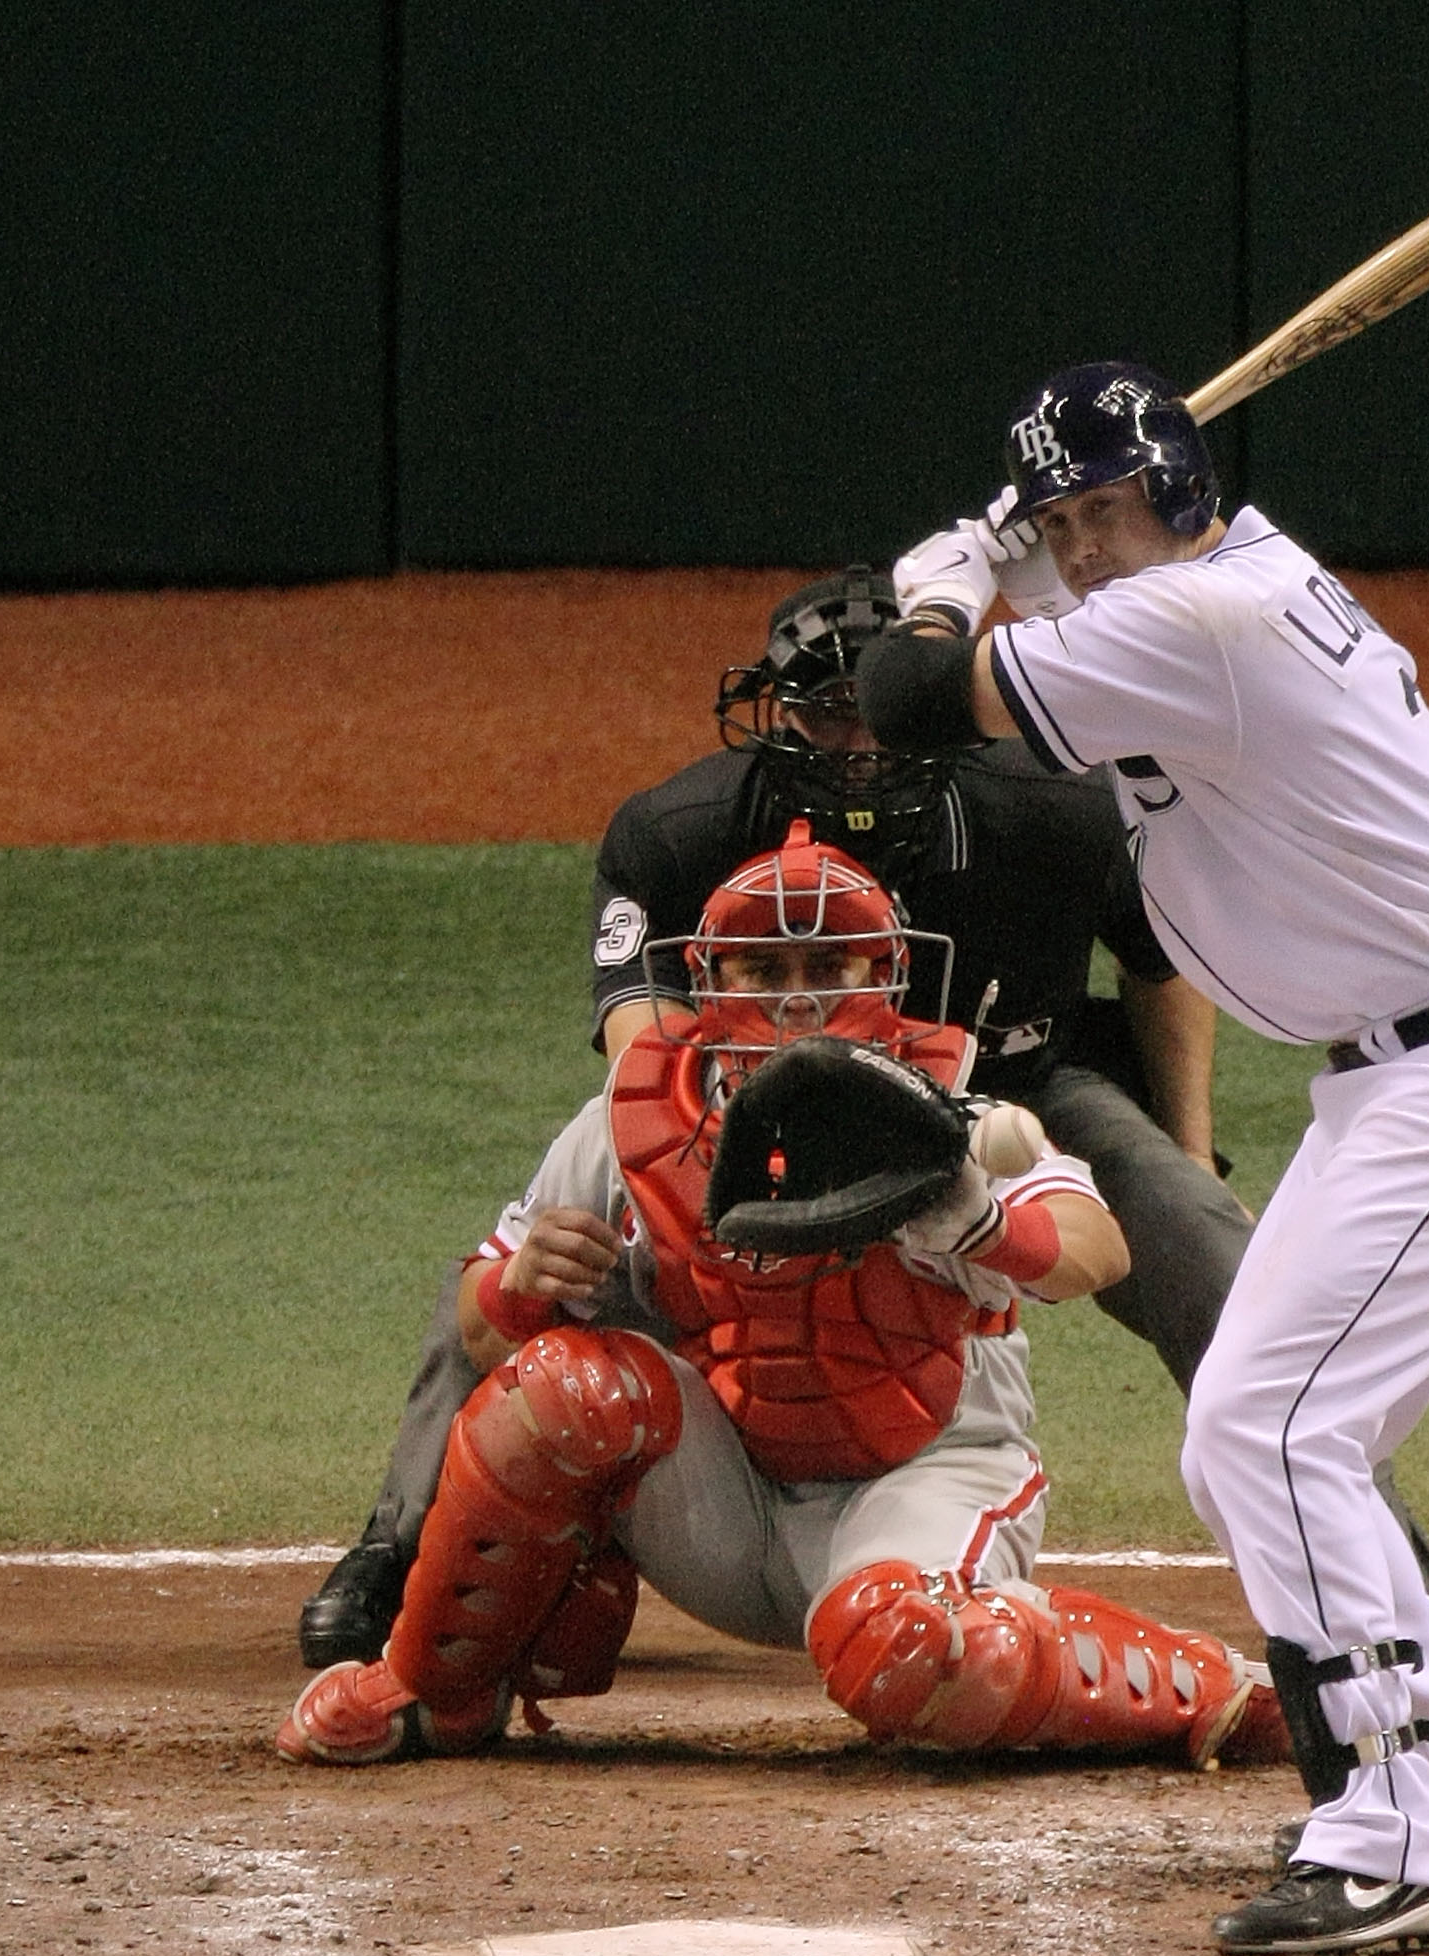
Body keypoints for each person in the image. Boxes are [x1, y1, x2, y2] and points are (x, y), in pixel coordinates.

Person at [862, 367, 1429, 1956]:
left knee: (1280, 1425)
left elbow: (909, 699)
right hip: (1412, 1079)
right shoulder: (1225, 585)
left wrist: (948, 592)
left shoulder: (1204, 621)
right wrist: (1025, 571)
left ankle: (1390, 1834)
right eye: (1061, 528)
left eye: (1105, 515)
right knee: (1249, 1435)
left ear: (1180, 490)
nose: (1085, 551)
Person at [296, 565, 1264, 1674]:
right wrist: (690, 1162)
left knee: (1195, 1230)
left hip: (1016, 1084)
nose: (853, 736)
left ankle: (1336, 1527)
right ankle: (401, 1545)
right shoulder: (682, 830)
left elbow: (1160, 966)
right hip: (754, 1096)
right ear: (774, 708)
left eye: (878, 707)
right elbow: (645, 1068)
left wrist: (1188, 1150)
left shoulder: (1056, 807)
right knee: (550, 1246)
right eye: (822, 707)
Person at [274, 836, 1290, 1780]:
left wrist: (974, 1219)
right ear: (709, 982)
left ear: (883, 977)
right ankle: (438, 1691)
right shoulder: (629, 1124)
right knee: (560, 1387)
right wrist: (521, 1277)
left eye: (829, 969)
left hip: (927, 1476)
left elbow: (1094, 1252)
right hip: (728, 1507)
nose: (798, 1002)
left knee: (899, 1648)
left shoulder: (954, 1114)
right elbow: (480, 1330)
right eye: (767, 972)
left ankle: (1216, 1690)